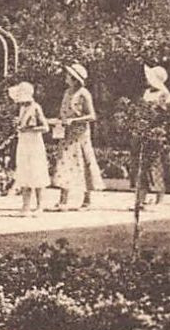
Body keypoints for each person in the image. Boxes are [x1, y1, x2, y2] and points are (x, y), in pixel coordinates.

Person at [52, 62, 105, 210]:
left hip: (80, 134)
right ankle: (63, 200)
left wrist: (74, 120)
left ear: (75, 79)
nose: (66, 78)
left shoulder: (84, 93)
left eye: (68, 76)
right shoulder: (67, 92)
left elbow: (92, 115)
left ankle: (87, 200)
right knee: (64, 163)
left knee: (84, 164)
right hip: (66, 134)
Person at [132, 64, 170, 211]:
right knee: (143, 167)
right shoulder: (147, 92)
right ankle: (140, 200)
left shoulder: (164, 95)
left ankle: (159, 199)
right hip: (144, 133)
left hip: (158, 134)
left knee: (158, 166)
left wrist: (166, 120)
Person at [8, 81, 49, 216]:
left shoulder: (36, 107)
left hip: (35, 144)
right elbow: (21, 127)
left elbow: (45, 127)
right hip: (24, 143)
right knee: (25, 173)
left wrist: (29, 129)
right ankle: (25, 206)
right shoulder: (21, 109)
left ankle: (40, 206)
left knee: (37, 173)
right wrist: (18, 125)